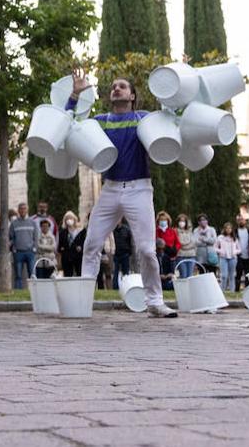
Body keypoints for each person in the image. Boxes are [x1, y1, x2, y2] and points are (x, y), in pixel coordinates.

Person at [65, 71, 177, 317]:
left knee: (147, 250)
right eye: (114, 86)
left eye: (123, 86)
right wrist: (75, 94)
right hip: (110, 189)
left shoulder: (143, 119)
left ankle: (155, 302)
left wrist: (179, 78)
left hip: (139, 189)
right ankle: (83, 302)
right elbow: (69, 124)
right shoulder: (101, 121)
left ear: (133, 95)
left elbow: (172, 117)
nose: (116, 89)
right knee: (92, 244)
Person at [9, 204, 38, 289]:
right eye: (21, 209)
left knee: (32, 274)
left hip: (30, 252)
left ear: (27, 210)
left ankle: (33, 291)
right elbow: (10, 237)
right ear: (18, 210)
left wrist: (34, 248)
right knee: (18, 275)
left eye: (24, 209)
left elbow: (36, 237)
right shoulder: (14, 224)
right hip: (18, 252)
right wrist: (13, 248)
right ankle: (18, 293)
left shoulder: (33, 223)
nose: (22, 210)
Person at [58, 212, 86, 278]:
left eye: (70, 218)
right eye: (67, 218)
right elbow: (60, 246)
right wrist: (62, 249)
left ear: (74, 219)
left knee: (79, 273)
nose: (69, 220)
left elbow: (84, 242)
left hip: (78, 256)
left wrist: (81, 247)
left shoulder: (80, 231)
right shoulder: (62, 232)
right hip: (67, 257)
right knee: (68, 275)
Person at [216, 221, 240, 291]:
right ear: (224, 229)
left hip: (233, 258)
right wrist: (221, 251)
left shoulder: (234, 238)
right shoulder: (220, 237)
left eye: (230, 228)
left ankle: (232, 291)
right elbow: (215, 247)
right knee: (224, 275)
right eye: (227, 228)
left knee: (232, 276)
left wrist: (234, 252)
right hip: (223, 258)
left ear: (232, 229)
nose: (228, 230)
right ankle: (222, 290)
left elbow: (239, 249)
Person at [112, 217, 133, 285]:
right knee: (115, 272)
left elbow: (130, 241)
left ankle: (126, 285)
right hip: (115, 254)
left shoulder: (126, 229)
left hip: (125, 254)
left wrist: (129, 252)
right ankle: (115, 286)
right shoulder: (112, 230)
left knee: (126, 272)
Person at [234, 215, 249, 288]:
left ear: (245, 221)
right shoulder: (234, 232)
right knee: (238, 274)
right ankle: (237, 290)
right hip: (238, 256)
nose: (241, 221)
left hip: (248, 256)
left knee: (248, 275)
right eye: (239, 220)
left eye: (242, 219)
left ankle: (247, 289)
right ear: (237, 221)